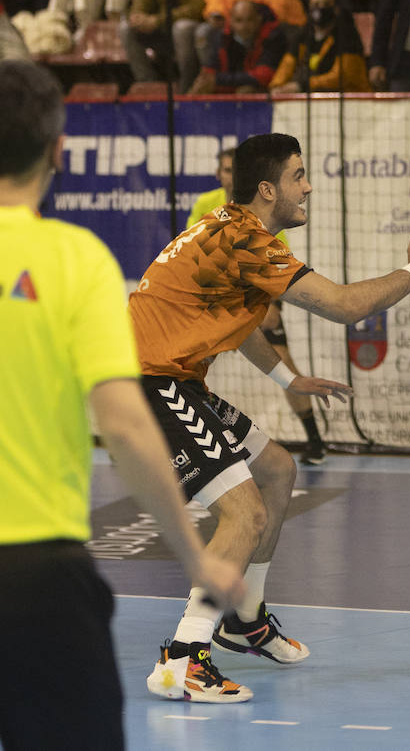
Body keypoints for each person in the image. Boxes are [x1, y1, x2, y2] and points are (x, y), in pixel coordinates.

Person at [132, 131, 410, 703]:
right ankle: (183, 657)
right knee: (244, 515)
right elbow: (347, 306)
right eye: (298, 176)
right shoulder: (248, 241)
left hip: (172, 379)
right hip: (150, 385)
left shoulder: (228, 230)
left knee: (278, 469)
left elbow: (241, 318)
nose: (307, 187)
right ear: (266, 189)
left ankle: (244, 619)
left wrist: (287, 378)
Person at [0, 59, 243, 746]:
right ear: (57, 149)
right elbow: (125, 425)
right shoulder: (76, 260)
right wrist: (194, 559)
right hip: (39, 576)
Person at [185, 147, 332, 464]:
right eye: (224, 170)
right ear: (218, 175)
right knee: (192, 358)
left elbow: (276, 266)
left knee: (282, 360)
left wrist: (268, 305)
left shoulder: (264, 222)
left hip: (256, 295)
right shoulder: (207, 206)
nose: (229, 176)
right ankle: (167, 433)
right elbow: (194, 253)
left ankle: (315, 440)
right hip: (218, 297)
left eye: (232, 170)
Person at [272, 0, 371, 93]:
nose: (320, 9)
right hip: (315, 99)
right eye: (315, 4)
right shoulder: (303, 36)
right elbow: (286, 66)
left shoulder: (347, 36)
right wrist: (277, 86)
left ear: (336, 8)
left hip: (352, 102)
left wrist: (302, 85)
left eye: (326, 4)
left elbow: (343, 76)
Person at [188, 0, 288, 95]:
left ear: (259, 19)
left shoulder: (272, 37)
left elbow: (264, 76)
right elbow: (208, 73)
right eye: (239, 20)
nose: (244, 26)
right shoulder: (221, 38)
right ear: (230, 21)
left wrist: (218, 80)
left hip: (265, 92)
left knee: (246, 91)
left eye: (250, 20)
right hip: (229, 88)